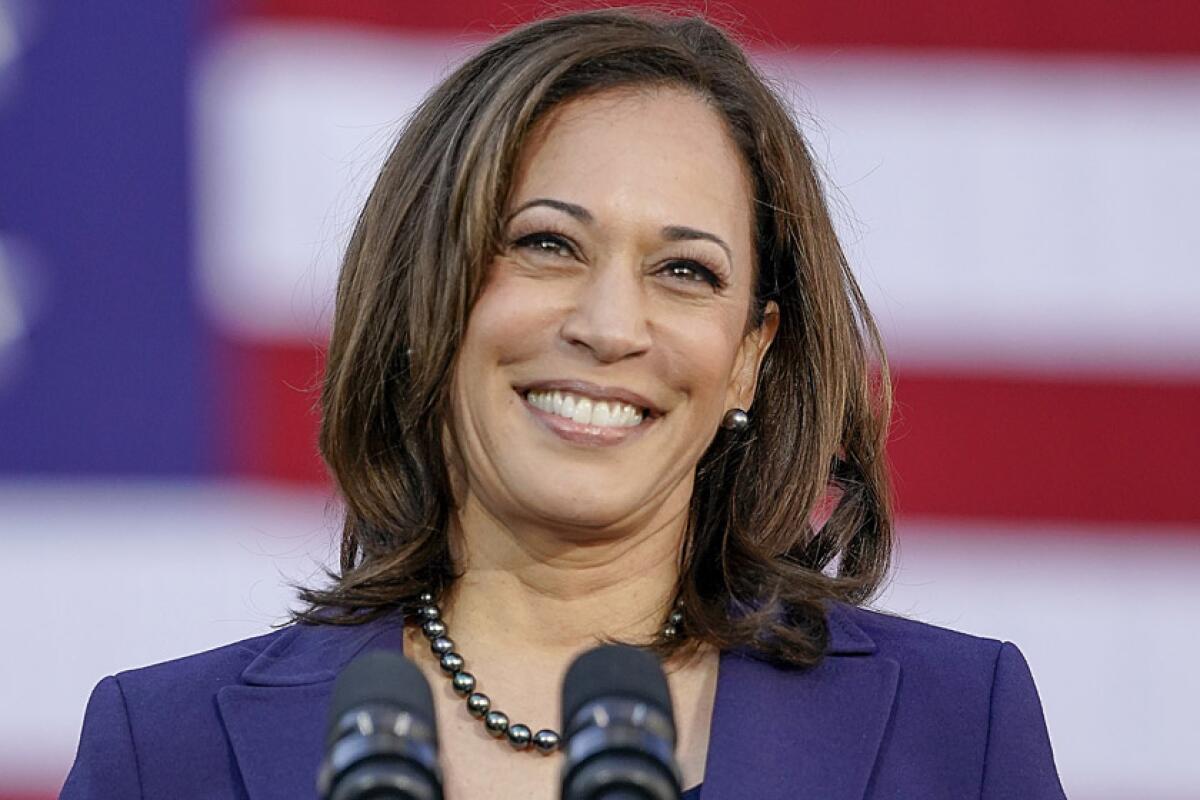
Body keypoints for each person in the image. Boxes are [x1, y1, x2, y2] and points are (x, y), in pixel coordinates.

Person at [62, 8, 1066, 799]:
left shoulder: (954, 727)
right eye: (546, 243)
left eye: (683, 269)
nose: (609, 322)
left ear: (750, 358)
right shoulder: (168, 750)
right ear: (430, 296)